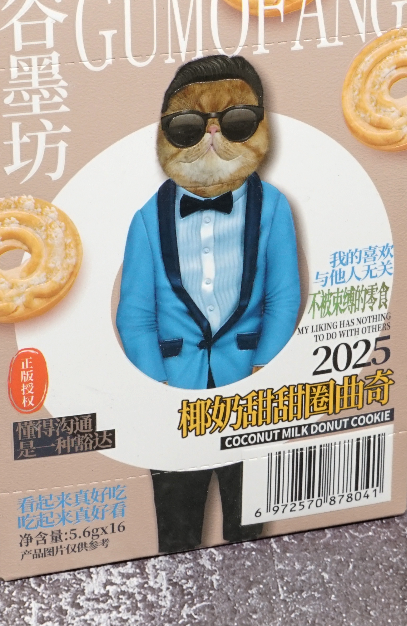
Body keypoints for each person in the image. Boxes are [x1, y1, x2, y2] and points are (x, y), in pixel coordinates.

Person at [116, 54, 301, 551]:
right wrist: (156, 384)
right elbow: (135, 315)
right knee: (176, 518)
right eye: (188, 127)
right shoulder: (146, 219)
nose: (213, 134)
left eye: (236, 121)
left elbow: (284, 297)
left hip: (250, 383)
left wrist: (266, 367)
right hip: (175, 388)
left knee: (251, 514)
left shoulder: (274, 207)